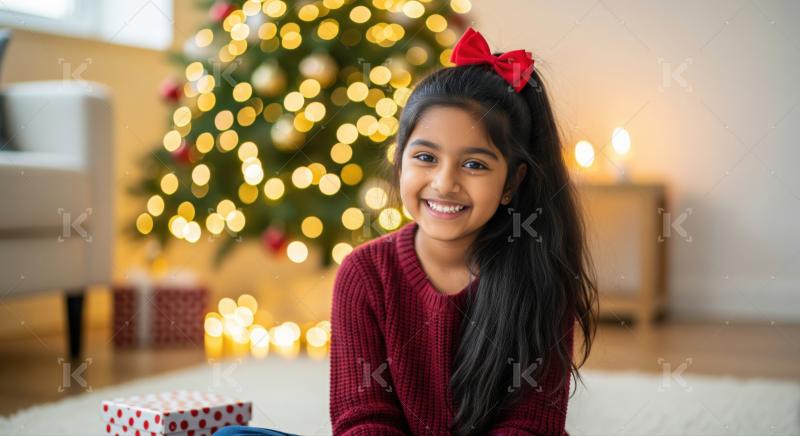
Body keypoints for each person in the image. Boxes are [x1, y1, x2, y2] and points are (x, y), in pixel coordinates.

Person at [329, 27, 598, 435]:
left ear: (511, 183)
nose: (443, 182)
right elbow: (363, 417)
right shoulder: (364, 274)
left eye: (474, 164)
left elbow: (529, 425)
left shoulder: (540, 274)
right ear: (400, 161)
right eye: (425, 157)